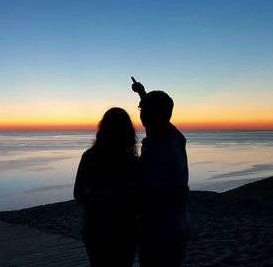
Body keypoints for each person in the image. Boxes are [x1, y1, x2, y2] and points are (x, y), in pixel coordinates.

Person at [131, 78, 190, 267]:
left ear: (145, 117)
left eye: (142, 109)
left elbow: (139, 189)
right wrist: (142, 93)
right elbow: (155, 111)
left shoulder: (157, 150)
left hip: (159, 231)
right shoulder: (174, 135)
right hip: (178, 224)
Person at [74, 107, 139, 267]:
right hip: (124, 229)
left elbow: (78, 193)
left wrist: (96, 196)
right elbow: (139, 198)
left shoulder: (89, 156)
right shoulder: (132, 162)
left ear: (102, 129)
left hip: (95, 227)